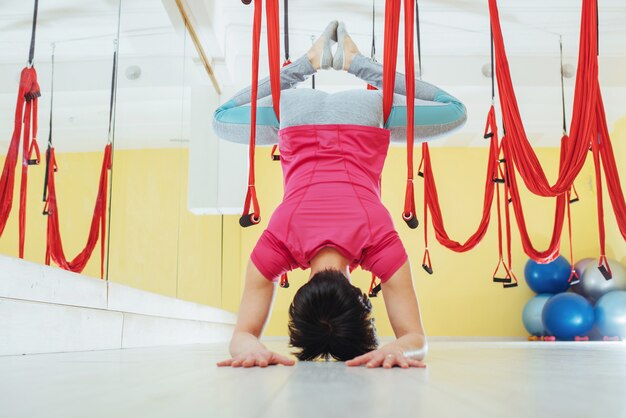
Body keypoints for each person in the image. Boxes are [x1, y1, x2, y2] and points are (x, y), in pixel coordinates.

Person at [213, 21, 466, 368]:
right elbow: (241, 337)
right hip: (296, 114)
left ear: (360, 295)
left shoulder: (381, 245)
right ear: (300, 295)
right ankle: (311, 60)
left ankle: (354, 60)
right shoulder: (278, 245)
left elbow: (415, 339)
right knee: (221, 118)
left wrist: (397, 348)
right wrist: (248, 348)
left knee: (455, 111)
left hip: (364, 115)